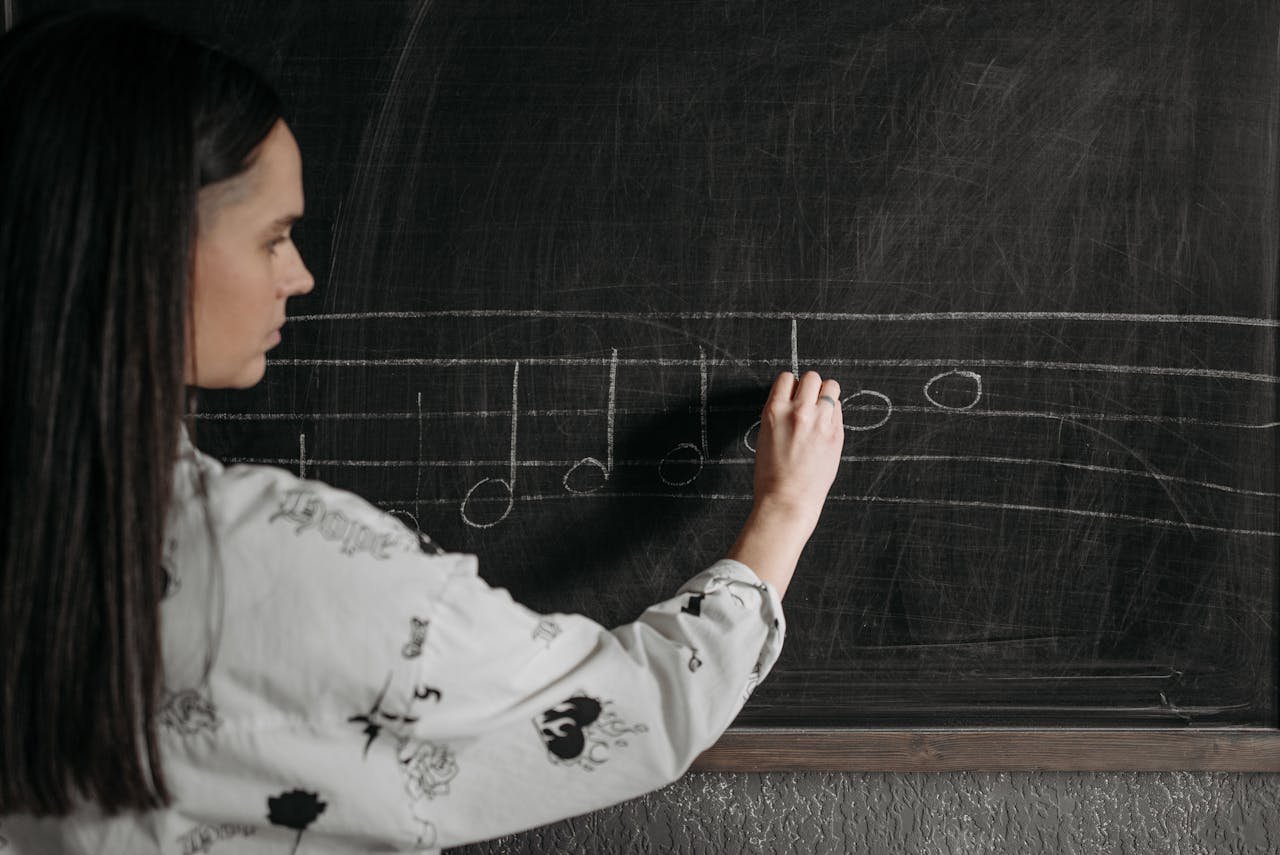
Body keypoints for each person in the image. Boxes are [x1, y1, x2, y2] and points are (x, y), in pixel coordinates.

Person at [0, 11, 844, 854]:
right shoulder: (282, 567)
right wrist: (783, 511)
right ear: (142, 250)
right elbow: (630, 711)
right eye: (272, 238)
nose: (300, 275)